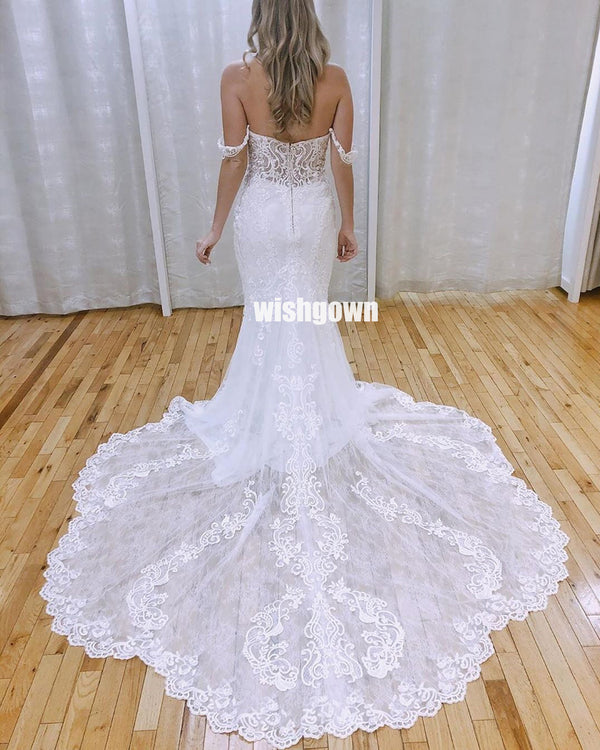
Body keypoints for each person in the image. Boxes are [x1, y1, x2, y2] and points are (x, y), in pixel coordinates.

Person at [40, 1, 570, 747]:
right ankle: (309, 419)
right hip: (313, 217)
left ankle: (263, 422)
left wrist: (214, 229)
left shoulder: (236, 78)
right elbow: (340, 166)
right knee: (308, 318)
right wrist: (347, 226)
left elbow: (235, 161)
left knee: (270, 319)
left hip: (262, 217)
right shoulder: (338, 79)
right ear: (310, 18)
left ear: (264, 16)